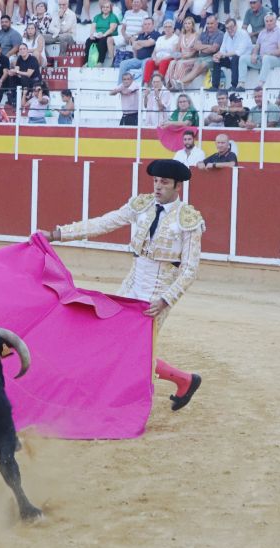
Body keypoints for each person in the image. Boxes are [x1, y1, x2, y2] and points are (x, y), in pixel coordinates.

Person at [39, 159, 205, 411]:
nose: (157, 187)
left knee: (134, 352)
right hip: (131, 284)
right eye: (155, 181)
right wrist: (58, 234)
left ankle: (129, 401)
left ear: (177, 186)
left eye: (164, 183)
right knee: (113, 341)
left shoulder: (188, 219)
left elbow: (190, 269)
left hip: (158, 293)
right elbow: (104, 222)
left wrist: (166, 300)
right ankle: (183, 380)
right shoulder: (142, 205)